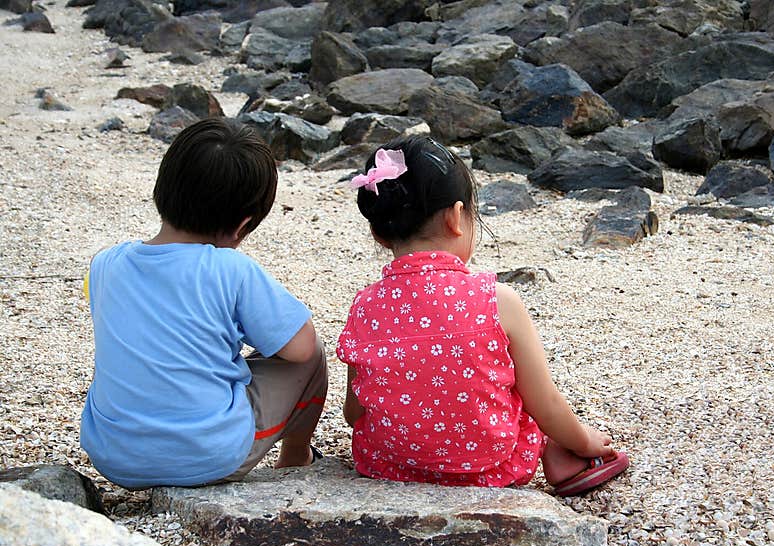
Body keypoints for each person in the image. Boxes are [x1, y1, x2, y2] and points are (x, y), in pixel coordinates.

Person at [336, 135, 629, 495]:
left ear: (378, 233)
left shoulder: (365, 305)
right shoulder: (496, 299)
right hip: (491, 471)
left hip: (389, 466)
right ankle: (559, 455)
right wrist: (585, 442)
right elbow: (546, 403)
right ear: (457, 217)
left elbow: (354, 413)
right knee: (519, 398)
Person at [80, 117, 327, 489]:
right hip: (208, 456)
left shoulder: (105, 264)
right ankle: (296, 454)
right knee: (314, 352)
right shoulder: (230, 269)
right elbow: (300, 346)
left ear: (163, 188)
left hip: (113, 457)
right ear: (243, 225)